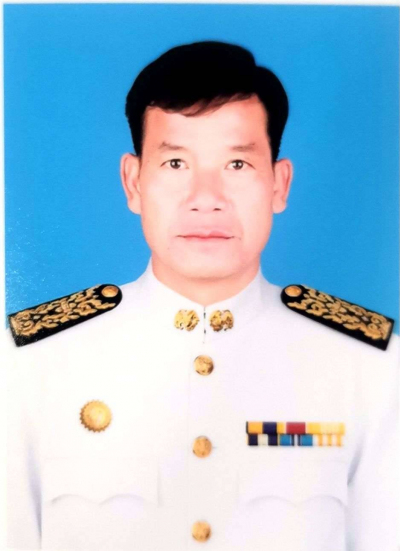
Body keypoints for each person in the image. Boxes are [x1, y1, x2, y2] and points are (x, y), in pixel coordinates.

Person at [6, 40, 398, 551]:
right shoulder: (28, 364)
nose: (206, 199)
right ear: (133, 182)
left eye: (237, 165)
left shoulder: (369, 368)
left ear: (279, 185)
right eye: (175, 164)